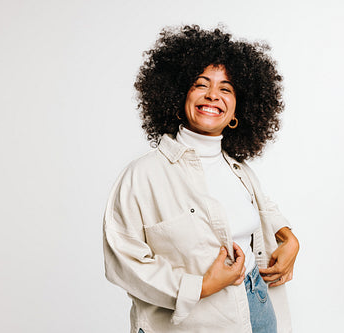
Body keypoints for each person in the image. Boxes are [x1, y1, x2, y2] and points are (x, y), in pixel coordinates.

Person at [103, 25, 299, 333]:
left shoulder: (238, 169)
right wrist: (201, 286)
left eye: (226, 89)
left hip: (257, 306)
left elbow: (263, 208)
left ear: (237, 109)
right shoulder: (143, 175)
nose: (212, 95)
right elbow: (124, 262)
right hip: (189, 323)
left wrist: (288, 238)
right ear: (178, 97)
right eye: (201, 84)